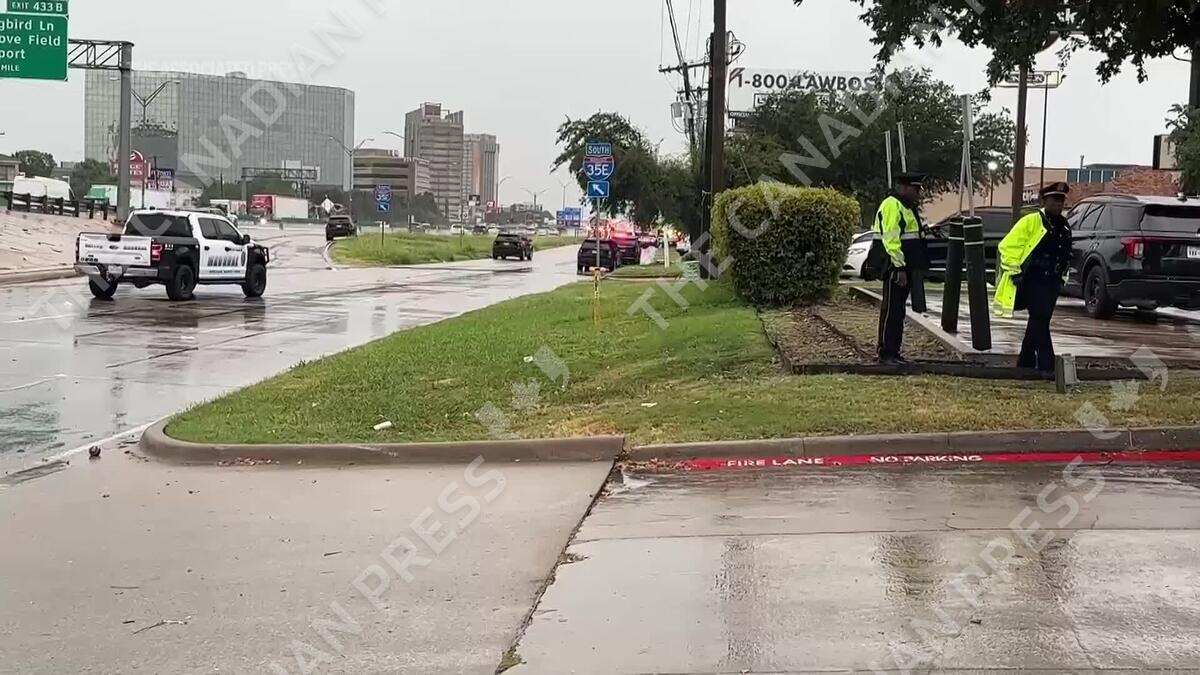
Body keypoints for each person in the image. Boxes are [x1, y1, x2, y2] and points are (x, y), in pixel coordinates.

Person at [993, 182, 1073, 372]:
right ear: (1044, 201)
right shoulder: (1031, 221)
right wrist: (1015, 273)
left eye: (1061, 200)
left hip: (1052, 281)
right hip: (1032, 279)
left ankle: (1025, 362)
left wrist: (1062, 277)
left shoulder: (1064, 225)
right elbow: (1008, 247)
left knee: (1039, 321)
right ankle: (1048, 366)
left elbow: (1066, 253)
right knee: (1040, 320)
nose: (1058, 204)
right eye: (1054, 200)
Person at [872, 172, 928, 365]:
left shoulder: (906, 206)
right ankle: (886, 352)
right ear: (903, 187)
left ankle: (893, 351)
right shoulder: (892, 205)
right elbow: (891, 240)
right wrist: (899, 268)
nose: (918, 193)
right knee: (892, 310)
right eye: (915, 188)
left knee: (898, 311)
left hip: (905, 265)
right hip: (895, 267)